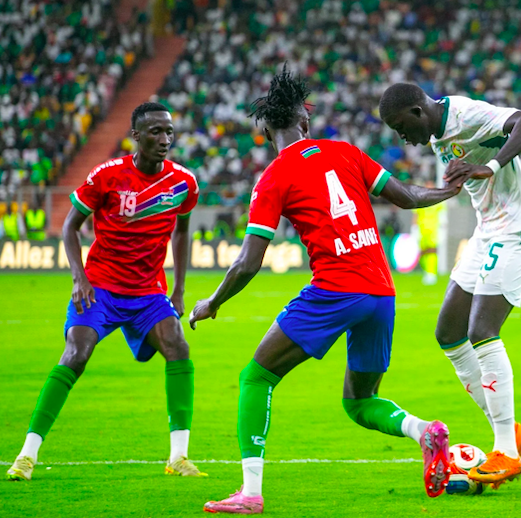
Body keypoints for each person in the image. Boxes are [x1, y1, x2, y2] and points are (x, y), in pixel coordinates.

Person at [189, 69, 464, 514]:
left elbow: (248, 263)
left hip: (335, 290)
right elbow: (408, 197)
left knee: (256, 377)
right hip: (381, 292)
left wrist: (212, 302)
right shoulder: (346, 152)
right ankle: (423, 431)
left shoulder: (274, 177)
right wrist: (448, 190)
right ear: (305, 122)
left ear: (267, 133)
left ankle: (250, 493)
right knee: (359, 402)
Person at [6, 102, 203, 481]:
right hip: (100, 289)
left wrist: (179, 289)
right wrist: (79, 278)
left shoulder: (184, 183)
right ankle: (26, 455)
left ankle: (179, 457)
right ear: (136, 136)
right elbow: (69, 227)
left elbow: (182, 231)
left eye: (169, 132)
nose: (165, 139)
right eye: (156, 132)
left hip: (148, 292)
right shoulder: (107, 176)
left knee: (178, 346)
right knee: (76, 354)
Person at [378, 83, 521, 488]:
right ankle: (510, 430)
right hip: (488, 230)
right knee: (449, 332)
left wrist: (491, 167)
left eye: (402, 128)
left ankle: (506, 452)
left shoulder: (465, 115)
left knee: (482, 330)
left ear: (418, 111)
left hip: (518, 232)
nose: (404, 139)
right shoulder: (437, 132)